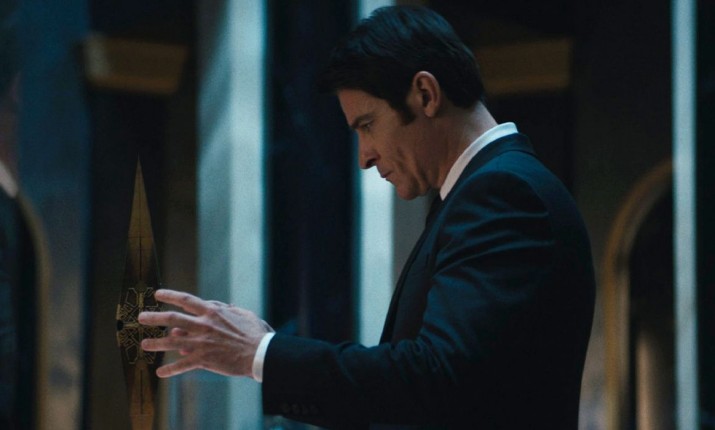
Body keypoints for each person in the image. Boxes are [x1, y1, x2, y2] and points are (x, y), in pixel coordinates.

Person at [139, 5, 595, 429]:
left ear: (425, 94)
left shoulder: (503, 194)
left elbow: (436, 379)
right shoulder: (482, 192)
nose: (364, 157)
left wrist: (261, 353)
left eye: (367, 125)